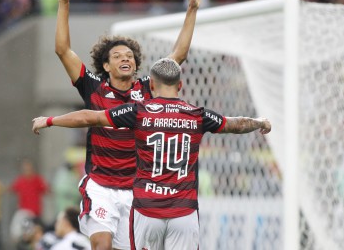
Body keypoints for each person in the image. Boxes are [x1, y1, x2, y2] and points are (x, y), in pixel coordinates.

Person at [32, 58, 272, 249]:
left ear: (152, 86)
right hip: (183, 211)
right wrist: (259, 121)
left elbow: (90, 116)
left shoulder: (139, 112)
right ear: (180, 85)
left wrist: (50, 120)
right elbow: (235, 124)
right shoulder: (196, 114)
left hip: (147, 210)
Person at [54, 0, 202, 249]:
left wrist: (191, 9)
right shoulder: (92, 87)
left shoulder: (149, 87)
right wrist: (64, 3)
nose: (126, 58)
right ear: (106, 66)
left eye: (130, 56)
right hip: (100, 186)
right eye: (118, 56)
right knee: (102, 244)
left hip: (136, 190)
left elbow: (178, 55)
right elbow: (62, 50)